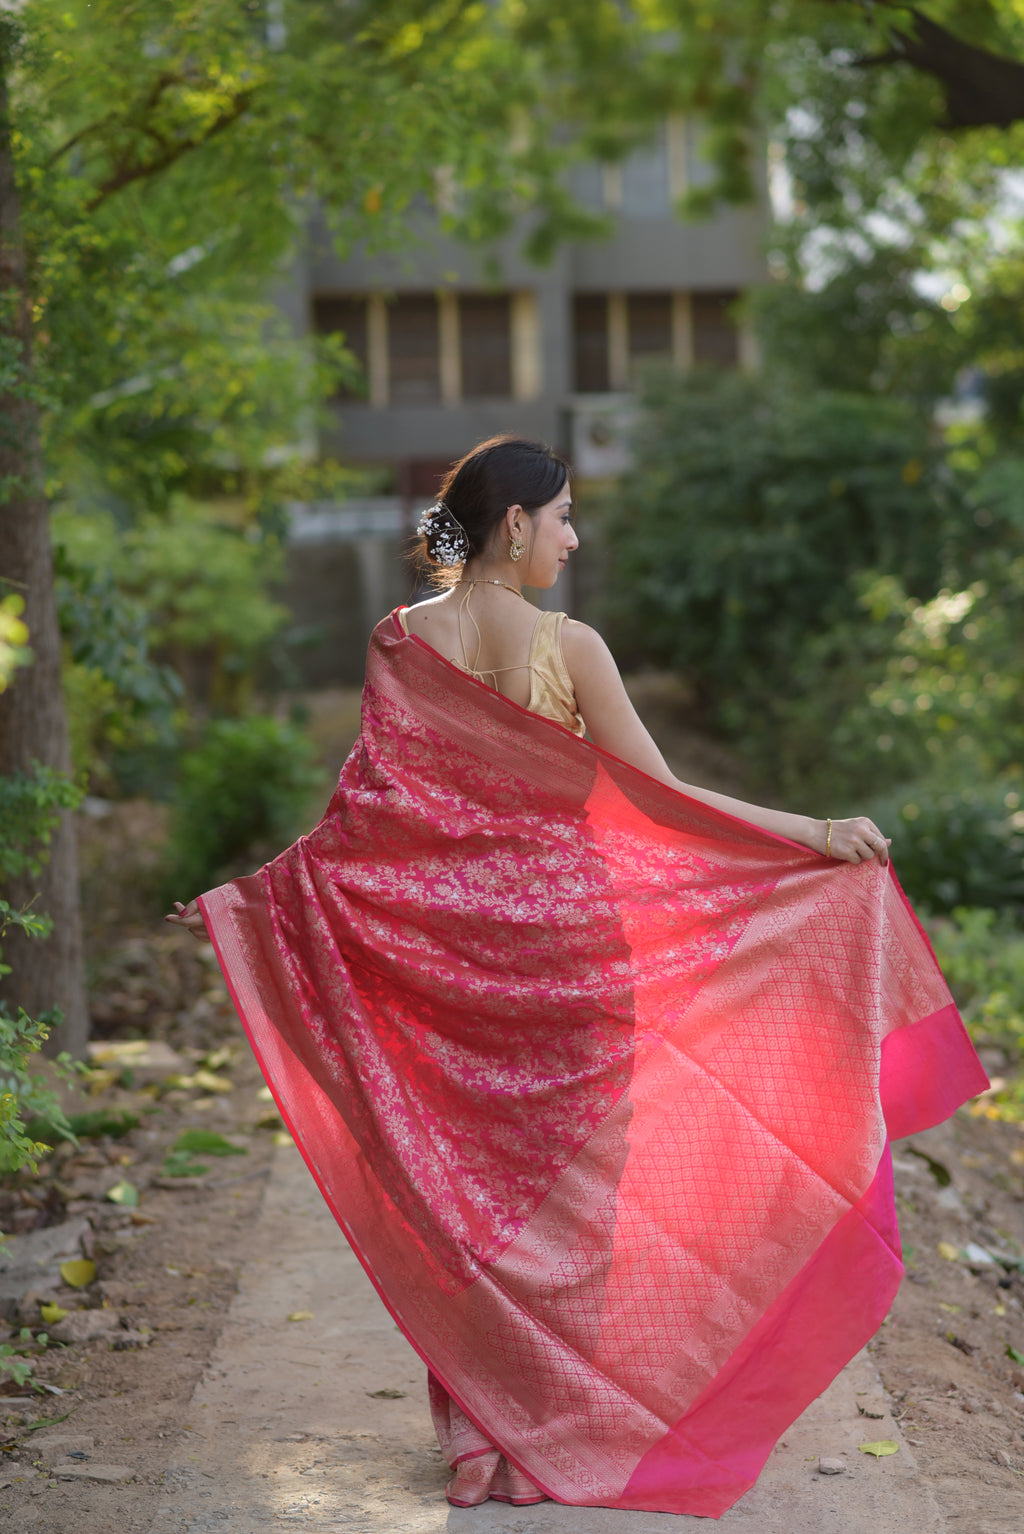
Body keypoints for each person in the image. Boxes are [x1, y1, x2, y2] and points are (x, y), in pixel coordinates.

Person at [167, 434, 986, 1517]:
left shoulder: (398, 644)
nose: (573, 535)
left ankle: (482, 1439)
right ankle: (557, 1427)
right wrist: (815, 833)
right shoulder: (569, 647)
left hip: (451, 980)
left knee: (466, 1204)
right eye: (561, 517)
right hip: (574, 968)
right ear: (515, 525)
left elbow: (362, 826)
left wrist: (253, 904)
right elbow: (666, 800)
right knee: (571, 1210)